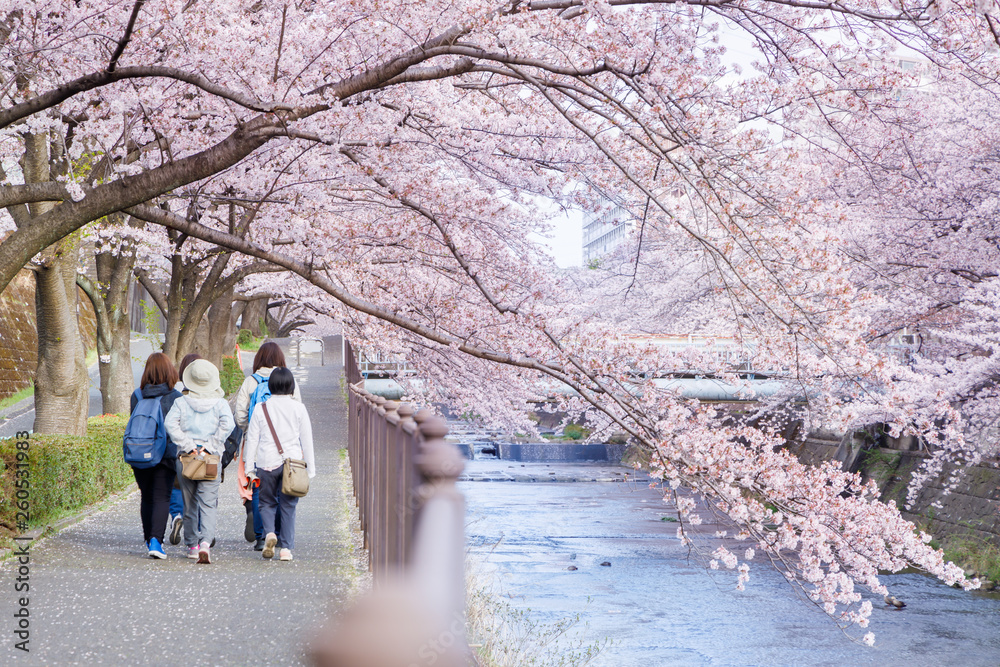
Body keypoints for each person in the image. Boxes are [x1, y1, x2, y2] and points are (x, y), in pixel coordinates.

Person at [165, 359, 235, 564]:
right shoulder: (220, 403)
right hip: (211, 458)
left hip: (186, 459)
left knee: (189, 504)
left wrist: (187, 445)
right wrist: (211, 446)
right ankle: (206, 543)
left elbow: (170, 424)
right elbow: (228, 425)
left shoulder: (181, 402)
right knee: (208, 503)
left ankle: (192, 546)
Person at [234, 341, 301, 550]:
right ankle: (280, 535)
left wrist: (248, 430)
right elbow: (297, 411)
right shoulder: (289, 381)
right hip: (285, 446)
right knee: (283, 488)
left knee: (258, 486)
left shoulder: (250, 382)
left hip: (256, 442)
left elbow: (240, 415)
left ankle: (262, 535)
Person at [244, 367, 315, 561]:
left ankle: (269, 534)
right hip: (292, 464)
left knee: (266, 502)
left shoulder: (261, 407)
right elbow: (306, 439)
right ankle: (286, 550)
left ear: (271, 385)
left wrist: (249, 467)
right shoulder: (299, 408)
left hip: (266, 462)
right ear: (291, 386)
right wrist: (310, 468)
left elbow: (252, 439)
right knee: (288, 505)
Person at [129, 352, 183, 559]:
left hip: (139, 452)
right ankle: (156, 541)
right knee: (162, 497)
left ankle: (148, 538)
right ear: (170, 371)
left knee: (147, 496)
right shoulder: (175, 397)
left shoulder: (137, 395)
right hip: (165, 455)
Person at [167, 352, 202, 545]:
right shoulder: (210, 394)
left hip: (179, 449)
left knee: (177, 486)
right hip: (203, 450)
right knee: (203, 488)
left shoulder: (176, 391)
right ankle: (202, 529)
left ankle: (177, 516)